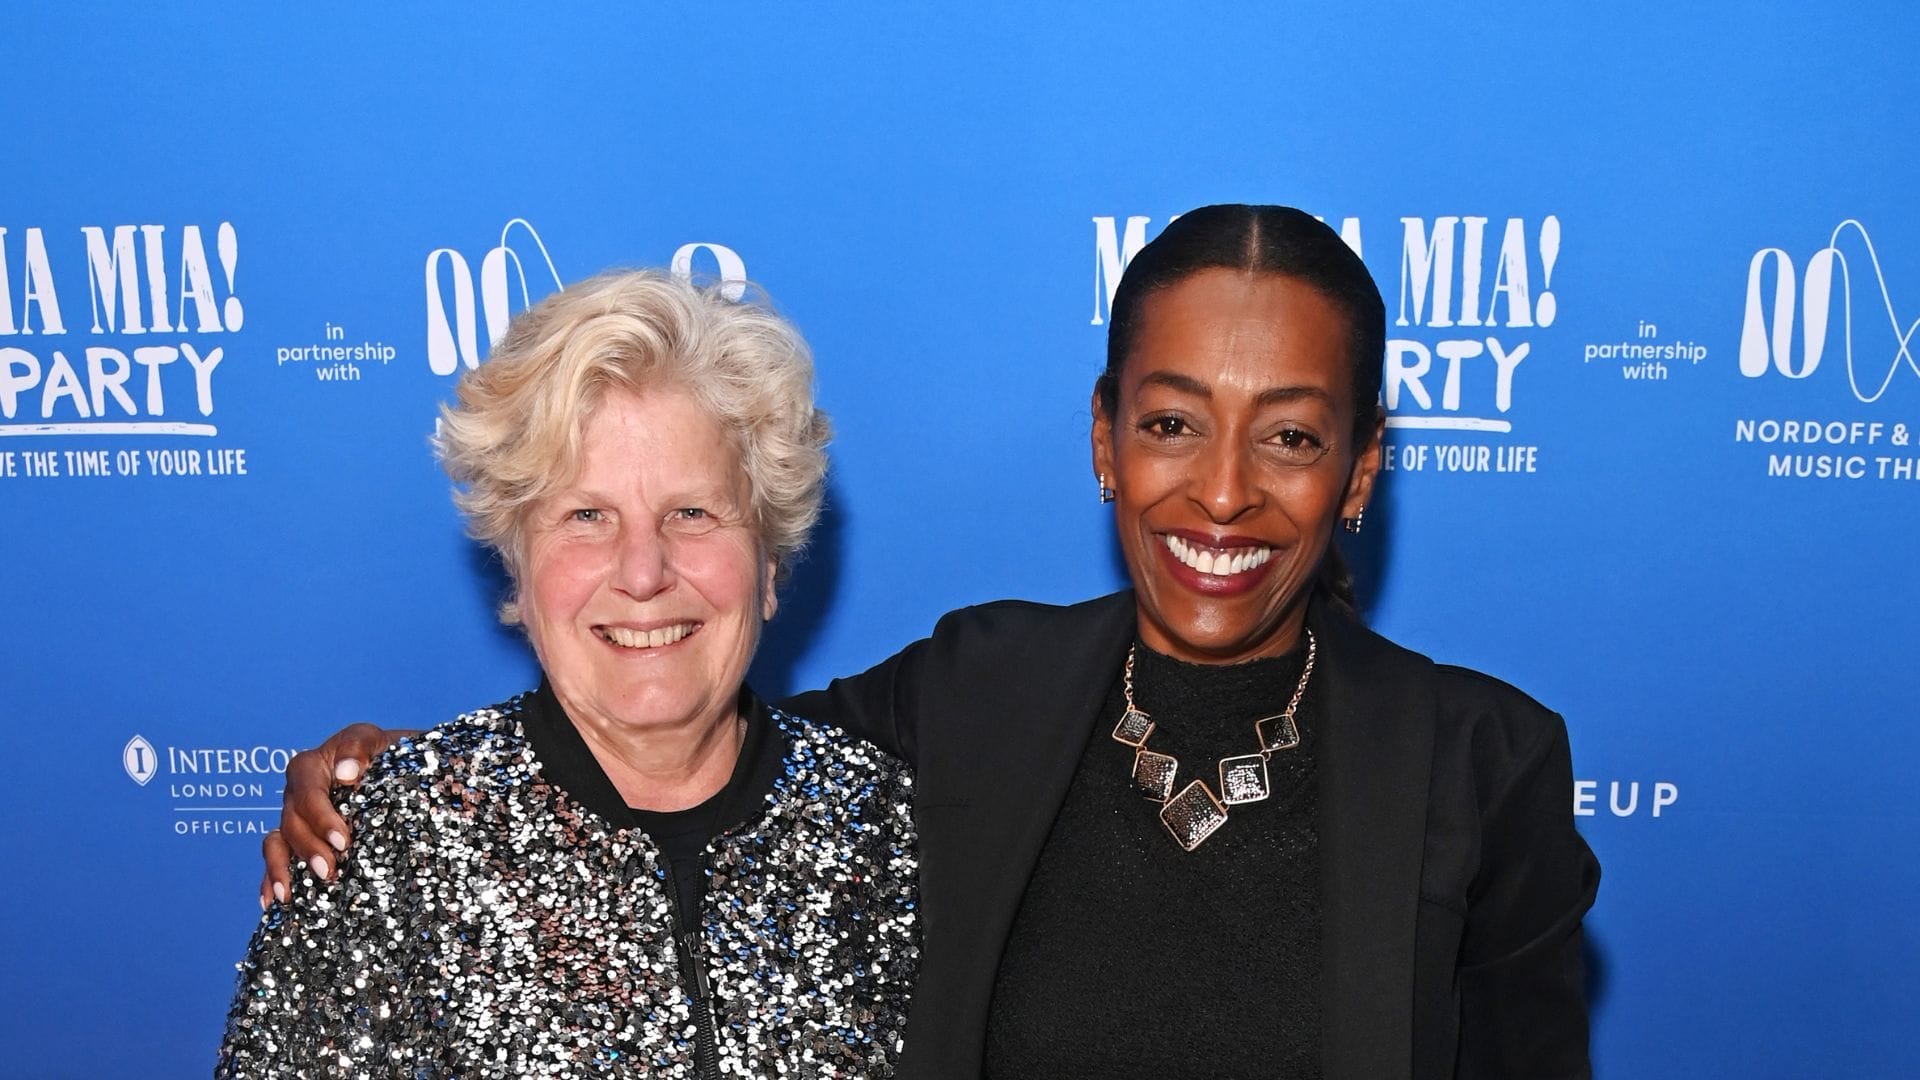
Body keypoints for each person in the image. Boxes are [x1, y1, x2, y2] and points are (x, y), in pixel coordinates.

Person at [264, 206, 1600, 1079]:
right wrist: (400, 779)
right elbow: (676, 719)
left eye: (1295, 435)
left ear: (1361, 471)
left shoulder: (1485, 763)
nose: (1226, 492)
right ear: (1104, 439)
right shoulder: (976, 694)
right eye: (1173, 422)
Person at [218, 270, 920, 1079]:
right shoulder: (386, 849)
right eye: (587, 517)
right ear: (518, 570)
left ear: (768, 565)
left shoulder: (897, 831)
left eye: (691, 512)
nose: (644, 572)